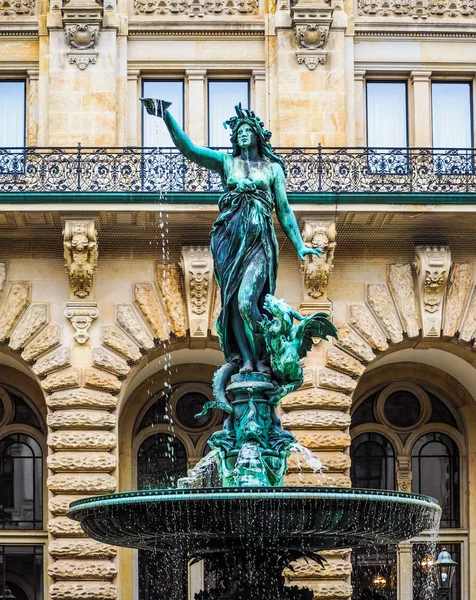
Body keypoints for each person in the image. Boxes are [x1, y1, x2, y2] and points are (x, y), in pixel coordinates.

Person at [141, 99, 322, 374]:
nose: (242, 134)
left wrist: (300, 245)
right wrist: (166, 115)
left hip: (260, 238)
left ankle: (265, 353)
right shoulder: (227, 162)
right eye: (238, 132)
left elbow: (284, 210)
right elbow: (189, 150)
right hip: (229, 238)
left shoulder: (273, 169)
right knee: (233, 303)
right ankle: (248, 359)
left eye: (247, 130)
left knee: (248, 301)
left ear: (257, 135)